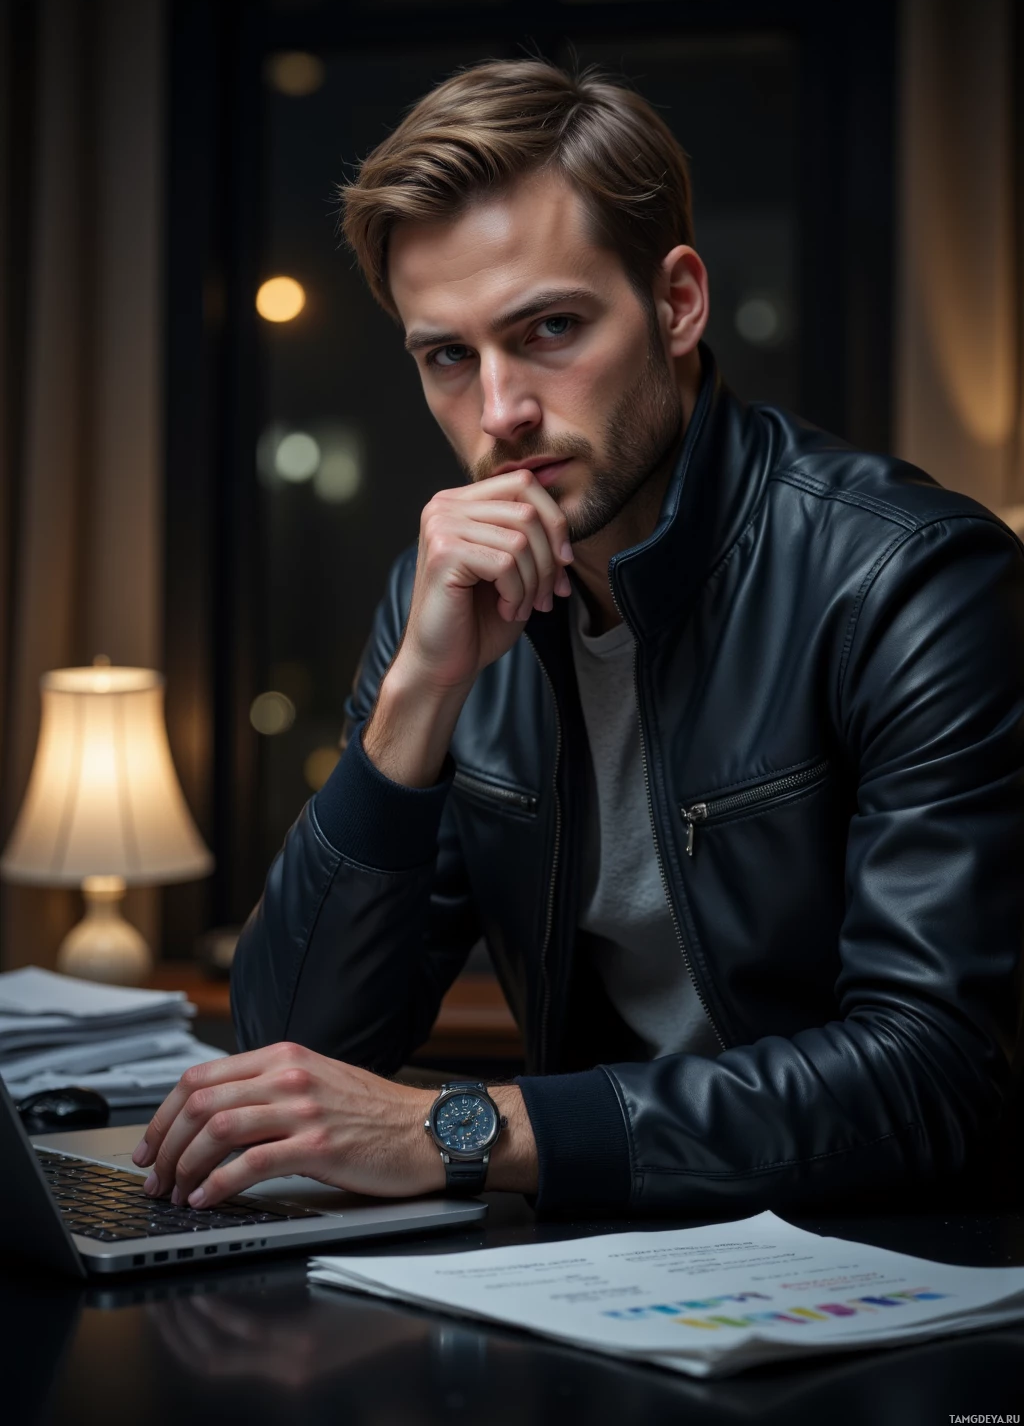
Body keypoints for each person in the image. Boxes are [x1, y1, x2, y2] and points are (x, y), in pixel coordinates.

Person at [133, 60, 1024, 1218]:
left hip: (889, 1274)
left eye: (550, 327)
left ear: (677, 303)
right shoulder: (443, 601)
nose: (499, 411)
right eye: (448, 356)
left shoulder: (909, 581)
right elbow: (293, 1051)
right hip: (602, 1260)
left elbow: (934, 1069)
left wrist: (465, 1126)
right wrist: (419, 697)